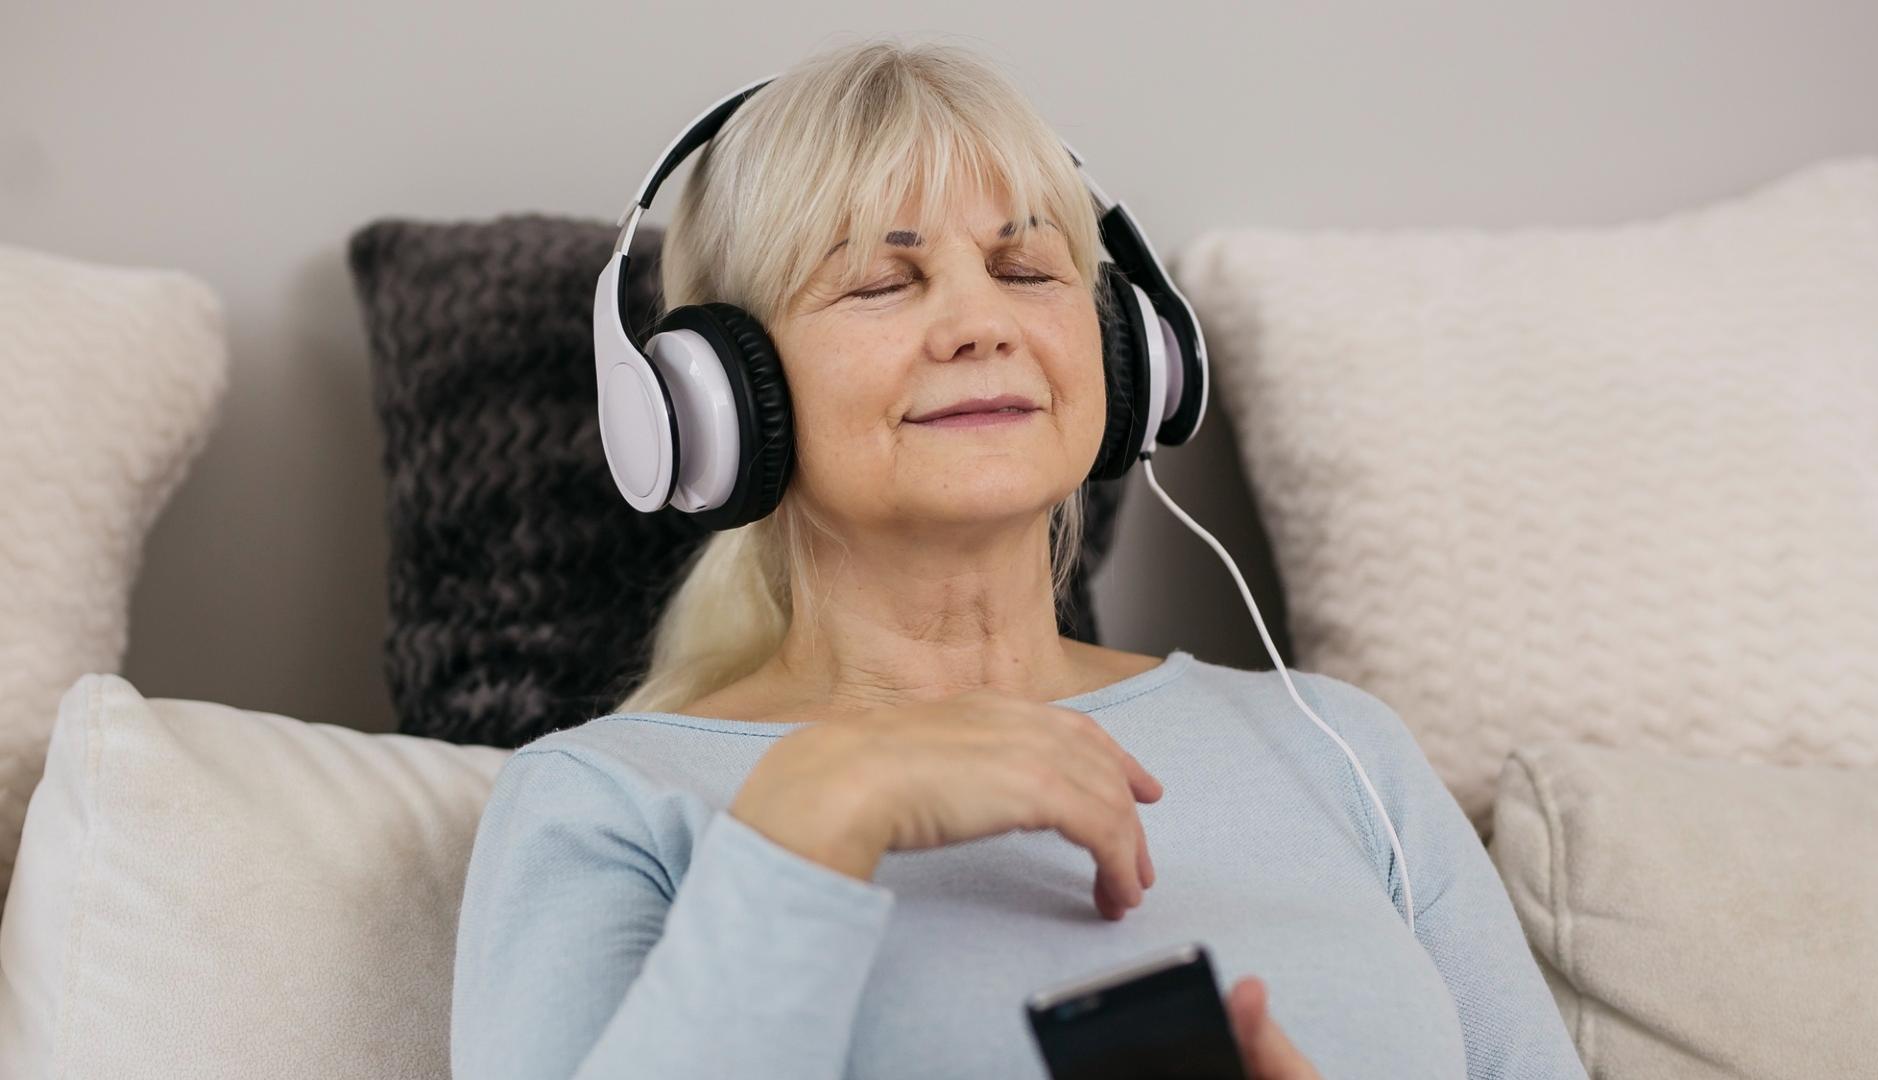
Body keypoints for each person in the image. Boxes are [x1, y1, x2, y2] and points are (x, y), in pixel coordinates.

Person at [449, 37, 1588, 1080]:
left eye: (1028, 269)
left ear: (1125, 355)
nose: (979, 323)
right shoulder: (603, 801)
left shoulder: (1339, 750)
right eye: (882, 282)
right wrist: (815, 816)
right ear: (714, 400)